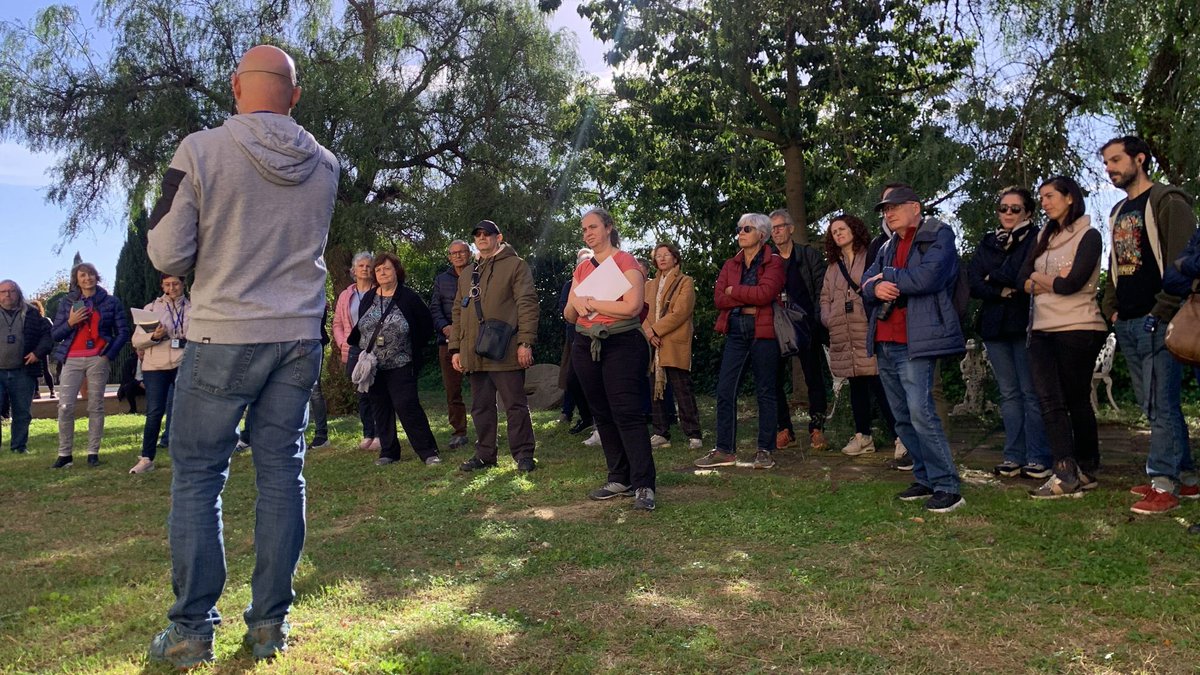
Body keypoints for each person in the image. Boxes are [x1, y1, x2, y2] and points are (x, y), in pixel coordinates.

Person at [145, 44, 339, 666]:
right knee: (284, 473)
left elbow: (168, 256)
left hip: (222, 331)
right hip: (297, 333)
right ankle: (268, 628)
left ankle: (191, 632)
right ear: (296, 94)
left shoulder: (200, 151)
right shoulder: (327, 164)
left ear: (235, 86)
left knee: (200, 475)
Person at [1099, 136, 1198, 514]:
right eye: (1107, 163)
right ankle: (1186, 478)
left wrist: (1162, 310)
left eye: (1116, 160)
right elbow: (1115, 264)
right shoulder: (1119, 210)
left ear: (1140, 159)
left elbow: (1183, 262)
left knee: (1161, 405)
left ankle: (1163, 484)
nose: (1110, 168)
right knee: (1153, 404)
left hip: (1160, 319)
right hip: (1128, 319)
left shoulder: (1168, 201)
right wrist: (1111, 307)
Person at [862, 184, 966, 513]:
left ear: (916, 207)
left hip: (916, 340)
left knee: (922, 413)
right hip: (885, 339)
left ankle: (948, 485)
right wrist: (877, 285)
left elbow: (928, 278)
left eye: (894, 206)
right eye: (884, 209)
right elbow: (866, 282)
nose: (888, 213)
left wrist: (885, 279)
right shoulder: (887, 244)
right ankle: (925, 478)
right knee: (902, 418)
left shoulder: (939, 234)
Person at [1016, 176, 1107, 500]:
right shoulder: (1044, 235)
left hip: (1078, 327)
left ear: (1070, 198)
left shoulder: (1089, 235)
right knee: (1049, 401)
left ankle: (1087, 467)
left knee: (1076, 400)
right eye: (1041, 197)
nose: (1045, 202)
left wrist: (1038, 279)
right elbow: (1020, 278)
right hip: (1041, 328)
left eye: (1050, 196)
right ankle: (1065, 472)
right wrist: (1049, 280)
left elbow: (1073, 284)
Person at [564, 209, 657, 510]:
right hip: (584, 343)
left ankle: (644, 484)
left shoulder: (625, 261)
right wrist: (580, 304)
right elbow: (568, 313)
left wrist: (588, 302)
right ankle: (620, 478)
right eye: (584, 229)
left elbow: (632, 307)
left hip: (622, 343)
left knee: (626, 412)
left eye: (593, 227)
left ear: (608, 228)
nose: (587, 233)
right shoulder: (582, 269)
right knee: (601, 413)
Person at [966, 187, 1053, 480]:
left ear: (1028, 212)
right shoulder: (989, 241)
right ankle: (1013, 455)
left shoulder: (1037, 238)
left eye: (1015, 209)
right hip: (994, 326)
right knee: (1009, 393)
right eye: (1003, 208)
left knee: (1031, 392)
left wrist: (996, 277)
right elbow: (974, 282)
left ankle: (1038, 457)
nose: (1008, 214)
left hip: (1025, 322)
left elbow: (1022, 274)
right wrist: (1000, 287)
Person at [694, 213, 785, 470]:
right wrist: (747, 296)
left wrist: (736, 292)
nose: (741, 232)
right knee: (725, 389)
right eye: (739, 228)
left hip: (763, 330)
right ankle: (724, 450)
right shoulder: (730, 265)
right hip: (736, 329)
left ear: (762, 234)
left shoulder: (774, 262)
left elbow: (767, 293)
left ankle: (765, 450)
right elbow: (719, 299)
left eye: (747, 228)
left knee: (766, 391)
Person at [450, 220, 539, 474]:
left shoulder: (516, 265)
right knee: (480, 406)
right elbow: (458, 310)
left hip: (505, 348)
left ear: (498, 237)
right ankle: (485, 454)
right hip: (473, 351)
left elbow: (527, 304)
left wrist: (525, 342)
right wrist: (456, 348)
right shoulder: (468, 272)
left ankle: (523, 454)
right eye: (477, 234)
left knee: (514, 404)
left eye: (486, 234)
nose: (481, 238)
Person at [818, 215, 898, 456]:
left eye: (842, 229)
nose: (839, 234)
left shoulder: (871, 255)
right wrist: (828, 318)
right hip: (843, 332)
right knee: (856, 386)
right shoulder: (833, 266)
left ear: (854, 229)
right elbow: (824, 297)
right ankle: (863, 436)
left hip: (866, 328)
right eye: (834, 232)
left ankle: (901, 437)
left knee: (880, 383)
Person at [351, 252, 440, 466]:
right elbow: (362, 326)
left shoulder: (408, 297)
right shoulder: (369, 298)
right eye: (378, 269)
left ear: (396, 271)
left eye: (387, 268)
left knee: (406, 404)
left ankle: (428, 451)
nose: (382, 272)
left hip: (401, 362)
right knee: (380, 406)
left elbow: (426, 326)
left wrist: (411, 347)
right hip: (373, 364)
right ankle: (389, 452)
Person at [49, 262, 131, 469]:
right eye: (82, 275)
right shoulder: (68, 302)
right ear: (76, 280)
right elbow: (55, 334)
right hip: (72, 358)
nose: (87, 279)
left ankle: (92, 452)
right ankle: (65, 454)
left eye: (91, 274)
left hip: (98, 357)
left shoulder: (111, 302)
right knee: (65, 406)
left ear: (97, 277)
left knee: (95, 405)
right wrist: (70, 322)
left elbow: (122, 332)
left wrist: (108, 355)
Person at [769, 209, 829, 451]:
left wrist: (816, 321)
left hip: (807, 325)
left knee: (814, 377)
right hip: (776, 326)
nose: (776, 232)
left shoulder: (808, 255)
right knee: (773, 380)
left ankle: (817, 428)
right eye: (772, 229)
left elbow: (821, 290)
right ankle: (784, 428)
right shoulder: (767, 258)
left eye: (780, 226)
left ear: (791, 228)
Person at [644, 241, 703, 451]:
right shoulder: (649, 285)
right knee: (655, 388)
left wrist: (655, 330)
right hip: (654, 343)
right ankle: (661, 432)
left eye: (666, 254)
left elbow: (681, 312)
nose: (661, 258)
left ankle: (694, 433)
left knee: (681, 387)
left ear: (675, 258)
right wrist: (649, 333)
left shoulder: (685, 281)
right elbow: (643, 312)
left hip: (673, 339)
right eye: (658, 255)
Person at [128, 274, 190, 474]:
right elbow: (137, 341)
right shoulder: (151, 309)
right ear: (162, 286)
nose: (171, 288)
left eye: (176, 284)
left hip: (182, 362)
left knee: (183, 410)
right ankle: (147, 458)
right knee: (155, 411)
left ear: (183, 285)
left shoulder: (192, 308)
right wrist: (154, 336)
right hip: (155, 365)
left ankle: (184, 456)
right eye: (167, 284)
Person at [0, 280, 52, 454]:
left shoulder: (31, 312)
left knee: (22, 412)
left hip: (23, 370)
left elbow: (48, 335)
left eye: (11, 291)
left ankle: (19, 447)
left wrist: (38, 353)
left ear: (18, 293)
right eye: (3, 291)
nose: (7, 295)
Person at [333, 252, 379, 451]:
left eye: (369, 266)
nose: (365, 269)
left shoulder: (379, 291)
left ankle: (380, 434)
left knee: (377, 392)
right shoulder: (346, 295)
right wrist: (343, 343)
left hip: (375, 348)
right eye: (361, 266)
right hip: (353, 350)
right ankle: (368, 433)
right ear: (354, 270)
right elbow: (337, 323)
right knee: (362, 394)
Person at [429, 240, 471, 450]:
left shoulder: (478, 274)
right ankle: (459, 431)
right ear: (449, 257)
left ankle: (487, 428)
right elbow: (435, 308)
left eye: (461, 252)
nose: (458, 256)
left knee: (483, 387)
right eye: (453, 253)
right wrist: (445, 327)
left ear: (469, 254)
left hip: (475, 340)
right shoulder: (441, 280)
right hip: (447, 341)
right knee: (452, 390)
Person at [557, 248, 594, 435]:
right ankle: (587, 417)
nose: (585, 266)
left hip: (598, 339)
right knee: (572, 380)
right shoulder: (569, 285)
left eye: (588, 262)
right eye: (582, 264)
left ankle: (598, 422)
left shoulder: (602, 282)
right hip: (575, 339)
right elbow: (567, 313)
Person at [28, 299, 55, 398]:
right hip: (32, 349)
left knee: (46, 369)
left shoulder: (44, 320)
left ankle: (52, 390)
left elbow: (50, 334)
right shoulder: (28, 322)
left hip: (42, 349)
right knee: (34, 371)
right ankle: (36, 391)